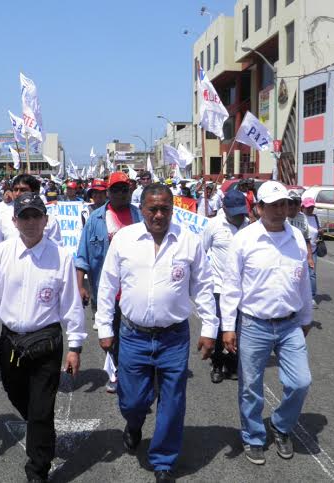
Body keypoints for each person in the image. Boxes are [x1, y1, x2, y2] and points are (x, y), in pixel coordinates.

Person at [95, 183, 218, 482]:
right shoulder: (124, 239)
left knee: (173, 401)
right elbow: (108, 284)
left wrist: (210, 327)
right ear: (143, 209)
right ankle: (134, 423)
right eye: (153, 209)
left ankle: (163, 461)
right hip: (133, 335)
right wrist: (104, 326)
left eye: (165, 209)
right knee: (132, 401)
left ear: (173, 209)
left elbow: (203, 286)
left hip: (173, 338)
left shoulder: (188, 241)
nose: (159, 215)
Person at [0, 193, 86, 482]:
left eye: (36, 216)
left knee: (41, 409)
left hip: (47, 342)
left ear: (46, 220)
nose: (31, 222)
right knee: (17, 395)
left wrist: (75, 346)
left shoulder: (61, 256)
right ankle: (41, 429)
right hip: (11, 342)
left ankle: (37, 469)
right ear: (14, 221)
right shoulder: (0, 254)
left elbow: (71, 304)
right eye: (25, 216)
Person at [221, 181, 312, 466]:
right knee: (250, 387)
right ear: (259, 208)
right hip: (253, 324)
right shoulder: (244, 239)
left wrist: (307, 317)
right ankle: (253, 436)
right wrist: (228, 327)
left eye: (284, 204)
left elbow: (303, 281)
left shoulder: (296, 237)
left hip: (289, 324)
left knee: (300, 382)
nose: (280, 210)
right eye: (273, 205)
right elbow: (231, 286)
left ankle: (281, 425)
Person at [75, 172, 141, 392]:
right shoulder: (96, 219)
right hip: (106, 291)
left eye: (125, 189)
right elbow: (83, 255)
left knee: (134, 336)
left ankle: (130, 372)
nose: (121, 194)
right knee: (110, 335)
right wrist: (80, 286)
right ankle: (116, 370)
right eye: (116, 190)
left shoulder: (140, 216)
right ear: (108, 193)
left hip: (135, 290)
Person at [202, 190, 249, 383]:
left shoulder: (249, 226)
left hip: (242, 289)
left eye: (242, 212)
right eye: (235, 213)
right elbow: (202, 251)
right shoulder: (213, 225)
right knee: (220, 328)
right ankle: (217, 364)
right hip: (219, 287)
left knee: (237, 328)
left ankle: (231, 364)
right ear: (224, 208)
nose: (239, 217)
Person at [0, 175, 61, 245]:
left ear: (35, 192)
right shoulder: (4, 218)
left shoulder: (50, 221)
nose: (17, 193)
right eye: (15, 190)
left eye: (23, 190)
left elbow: (55, 247)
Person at [287, 190, 316, 285]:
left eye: (297, 203)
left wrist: (310, 258)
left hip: (300, 258)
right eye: (290, 203)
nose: (293, 206)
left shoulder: (303, 218)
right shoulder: (281, 218)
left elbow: (307, 239)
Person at [301, 197, 323, 308]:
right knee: (299, 273)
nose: (310, 209)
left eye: (312, 207)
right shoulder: (300, 217)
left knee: (312, 274)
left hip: (313, 249)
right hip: (300, 250)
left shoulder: (316, 217)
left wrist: (321, 232)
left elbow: (319, 230)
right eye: (308, 207)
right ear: (303, 207)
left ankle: (312, 297)